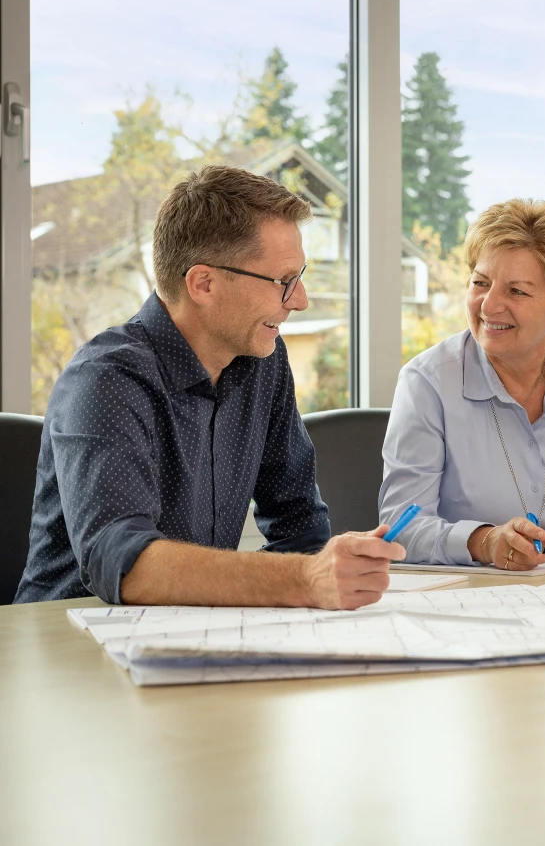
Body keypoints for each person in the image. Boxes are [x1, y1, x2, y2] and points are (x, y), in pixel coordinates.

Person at [15, 166, 404, 608]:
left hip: (193, 635)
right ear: (204, 283)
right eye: (283, 281)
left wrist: (331, 571)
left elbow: (299, 525)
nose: (300, 299)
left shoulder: (263, 361)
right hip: (68, 646)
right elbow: (122, 563)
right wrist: (303, 578)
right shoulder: (104, 378)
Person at [379, 198, 545, 569]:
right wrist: (484, 541)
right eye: (480, 283)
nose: (489, 305)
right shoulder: (427, 382)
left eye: (516, 291)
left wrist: (542, 547)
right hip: (467, 596)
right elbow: (401, 525)